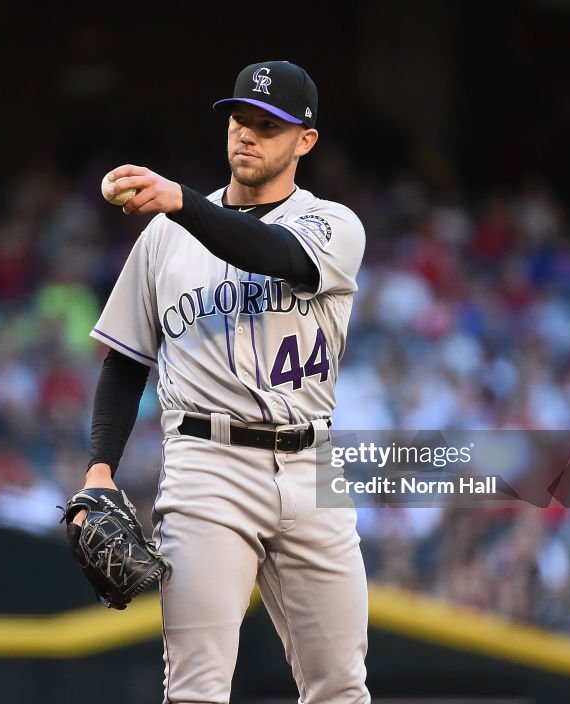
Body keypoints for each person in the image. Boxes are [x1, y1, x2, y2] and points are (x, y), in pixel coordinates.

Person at [74, 60, 370, 703]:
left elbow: (273, 252)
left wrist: (179, 202)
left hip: (313, 465)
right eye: (240, 119)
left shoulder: (334, 225)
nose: (248, 134)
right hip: (207, 466)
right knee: (197, 690)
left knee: (340, 688)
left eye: (269, 125)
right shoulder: (162, 237)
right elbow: (126, 362)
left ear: (305, 141)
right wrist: (100, 469)